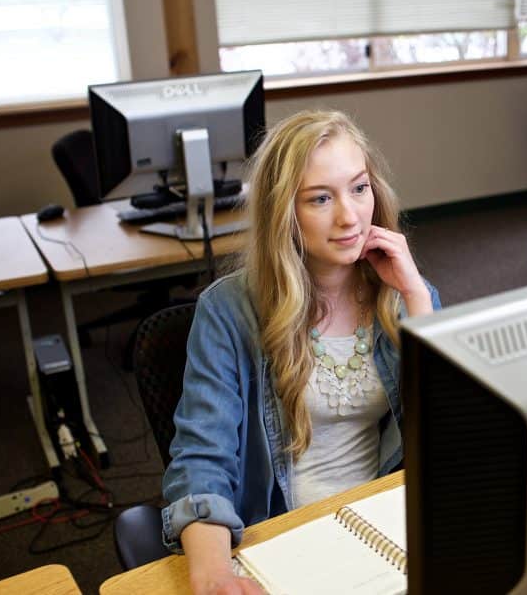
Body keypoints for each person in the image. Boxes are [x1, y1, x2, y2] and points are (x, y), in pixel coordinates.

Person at [161, 110, 441, 594]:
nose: (349, 216)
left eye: (359, 188)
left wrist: (417, 298)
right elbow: (202, 457)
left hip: (385, 528)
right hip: (283, 539)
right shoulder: (228, 312)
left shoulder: (406, 295)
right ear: (283, 212)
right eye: (320, 198)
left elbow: (453, 439)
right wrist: (214, 575)